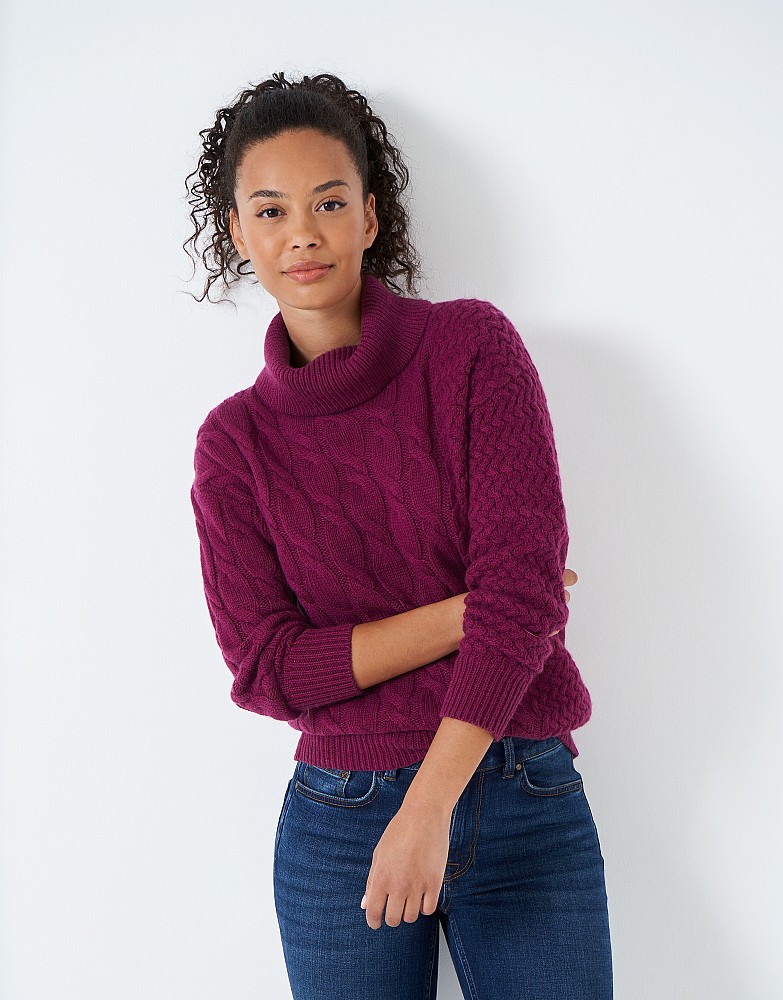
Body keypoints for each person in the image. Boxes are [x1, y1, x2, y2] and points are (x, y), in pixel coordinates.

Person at [183, 71, 613, 1000]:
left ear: (370, 217)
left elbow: (522, 595)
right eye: (271, 210)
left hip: (521, 797)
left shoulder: (470, 349)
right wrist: (468, 613)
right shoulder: (233, 444)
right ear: (238, 234)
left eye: (330, 202)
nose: (303, 233)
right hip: (341, 822)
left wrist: (425, 808)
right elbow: (267, 671)